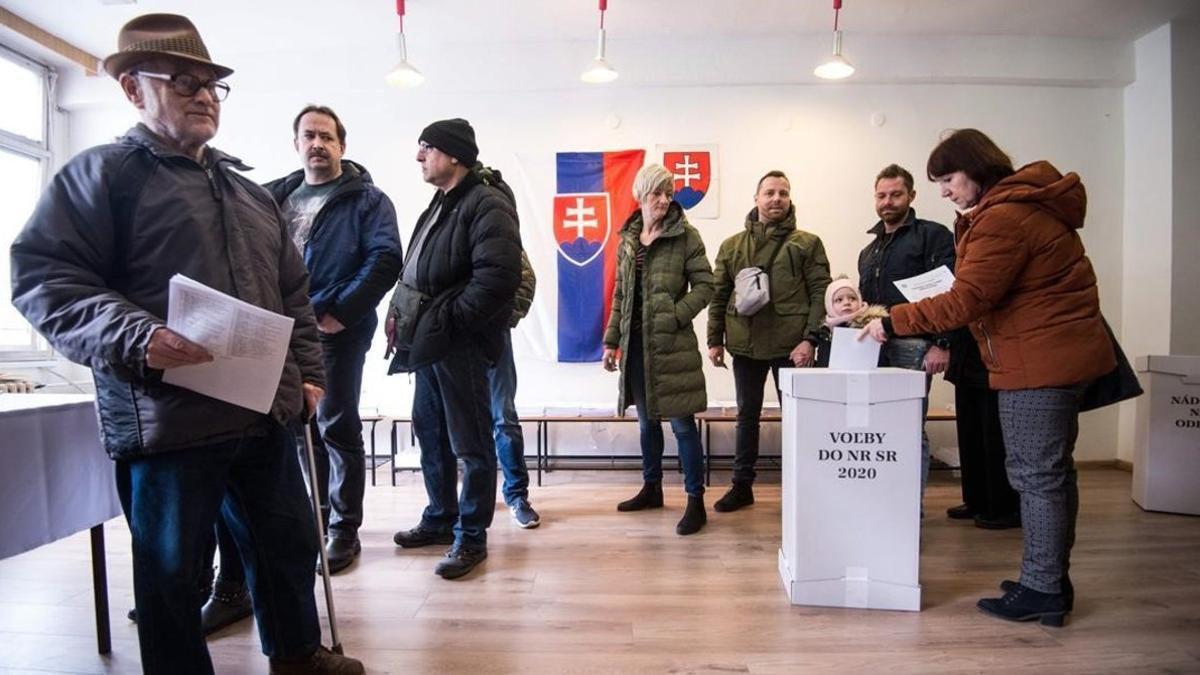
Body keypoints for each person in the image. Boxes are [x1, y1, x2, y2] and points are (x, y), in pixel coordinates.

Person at [9, 13, 364, 674]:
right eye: (182, 81)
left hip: (262, 413)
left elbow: (294, 295)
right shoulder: (101, 178)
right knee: (173, 575)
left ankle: (296, 655)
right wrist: (138, 335)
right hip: (166, 419)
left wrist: (309, 378)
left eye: (211, 85)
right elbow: (43, 278)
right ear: (133, 90)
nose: (203, 95)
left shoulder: (250, 193)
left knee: (287, 544)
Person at [860, 128, 1115, 626]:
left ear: (977, 170)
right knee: (1048, 475)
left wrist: (892, 320)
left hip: (1038, 360)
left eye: (949, 179)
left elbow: (966, 299)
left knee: (1037, 477)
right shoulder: (1017, 209)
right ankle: (1047, 578)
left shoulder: (1004, 219)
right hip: (1045, 355)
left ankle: (1043, 588)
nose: (946, 191)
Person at [266, 105, 403, 573]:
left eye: (327, 136)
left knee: (336, 424)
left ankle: (344, 528)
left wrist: (338, 311)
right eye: (309, 135)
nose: (318, 144)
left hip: (334, 329)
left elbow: (385, 260)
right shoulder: (274, 196)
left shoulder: (367, 199)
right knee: (296, 426)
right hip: (280, 331)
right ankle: (315, 520)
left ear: (342, 145)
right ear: (297, 143)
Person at [387, 119, 522, 580]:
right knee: (431, 433)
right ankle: (441, 519)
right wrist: (398, 312)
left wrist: (449, 321)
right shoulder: (442, 203)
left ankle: (471, 537)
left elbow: (500, 278)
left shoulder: (485, 202)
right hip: (428, 341)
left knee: (471, 443)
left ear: (455, 155)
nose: (419, 156)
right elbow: (417, 269)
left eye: (426, 147)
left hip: (456, 343)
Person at [707, 170, 831, 512]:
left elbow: (821, 291)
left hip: (793, 347)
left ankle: (805, 488)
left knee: (799, 417)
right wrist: (714, 339)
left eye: (783, 193)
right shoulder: (732, 246)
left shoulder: (807, 243)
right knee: (746, 416)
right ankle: (741, 486)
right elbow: (718, 295)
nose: (776, 198)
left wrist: (811, 339)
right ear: (756, 198)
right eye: (769, 192)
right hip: (744, 345)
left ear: (790, 199)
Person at [602, 164, 714, 535]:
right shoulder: (629, 239)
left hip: (671, 346)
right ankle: (652, 489)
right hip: (636, 348)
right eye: (657, 193)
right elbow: (621, 295)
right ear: (641, 196)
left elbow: (705, 285)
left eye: (669, 193)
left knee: (682, 425)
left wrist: (676, 314)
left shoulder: (686, 236)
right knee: (647, 422)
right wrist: (611, 341)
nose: (665, 200)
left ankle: (695, 501)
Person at [857, 164, 956, 494]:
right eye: (882, 195)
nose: (888, 202)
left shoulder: (934, 235)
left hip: (915, 346)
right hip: (875, 349)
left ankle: (912, 511)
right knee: (878, 428)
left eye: (896, 194)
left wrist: (941, 343)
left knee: (911, 428)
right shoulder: (868, 252)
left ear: (911, 196)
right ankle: (885, 500)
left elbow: (950, 293)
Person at [474, 163, 541, 529]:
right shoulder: (452, 225)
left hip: (494, 339)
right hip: (456, 343)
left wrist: (503, 319)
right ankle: (476, 500)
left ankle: (516, 496)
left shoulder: (502, 232)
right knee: (466, 423)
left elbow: (526, 280)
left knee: (503, 418)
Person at [944, 327, 1021, 529]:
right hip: (966, 352)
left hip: (994, 354)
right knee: (970, 432)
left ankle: (1003, 506)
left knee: (994, 433)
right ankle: (976, 501)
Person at [813, 276, 889, 367]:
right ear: (829, 306)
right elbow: (823, 364)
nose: (847, 303)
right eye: (839, 300)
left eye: (852, 298)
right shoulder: (825, 332)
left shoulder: (872, 326)